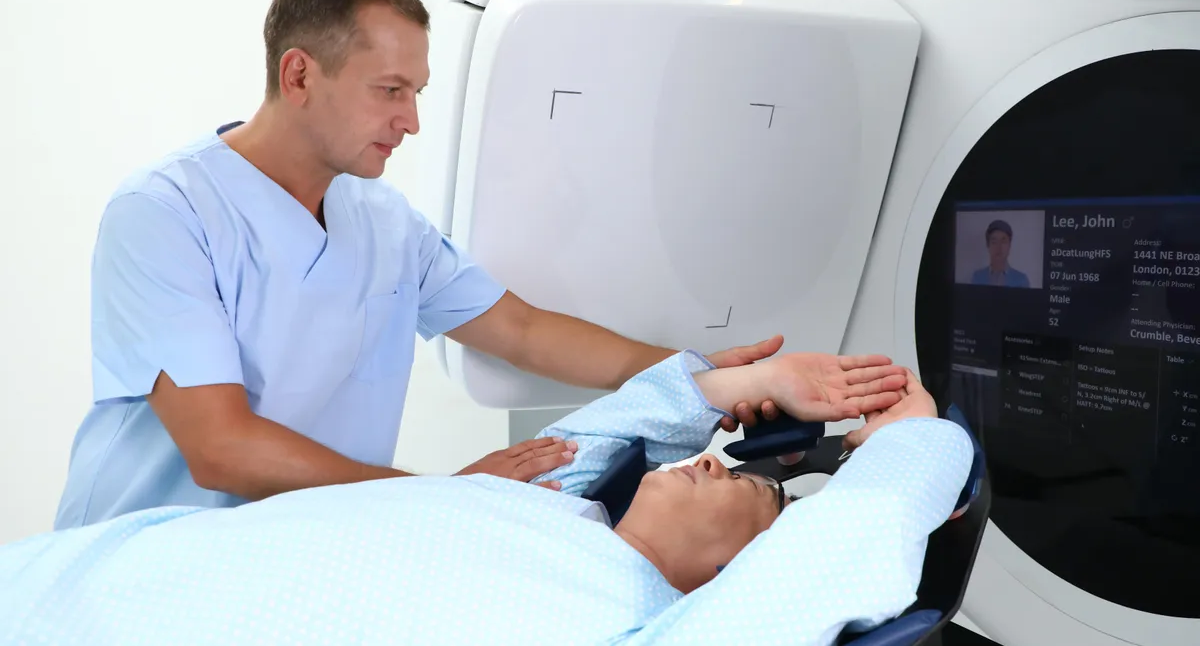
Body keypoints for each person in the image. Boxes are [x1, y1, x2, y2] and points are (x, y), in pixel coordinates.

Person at [53, 0, 790, 530]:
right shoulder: (164, 213)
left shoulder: (383, 221)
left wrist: (689, 371)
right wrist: (446, 494)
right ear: (299, 74)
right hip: (143, 555)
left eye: (418, 92)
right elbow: (222, 447)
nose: (409, 120)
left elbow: (520, 330)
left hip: (301, 544)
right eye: (390, 90)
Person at [1, 348, 973, 645]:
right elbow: (590, 445)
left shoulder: (643, 624)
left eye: (763, 503)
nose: (725, 465)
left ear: (727, 578)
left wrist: (911, 445)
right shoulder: (563, 507)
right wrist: (726, 391)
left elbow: (854, 536)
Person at [970, 218, 1031, 287]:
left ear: (1009, 245)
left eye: (1003, 242)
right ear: (988, 245)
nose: (999, 247)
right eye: (994, 242)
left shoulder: (1021, 280)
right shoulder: (977, 277)